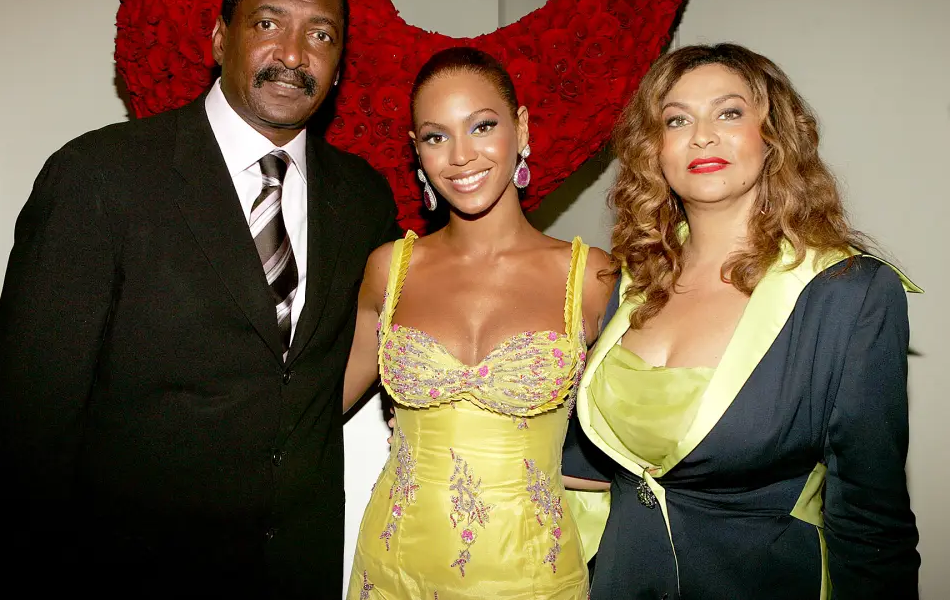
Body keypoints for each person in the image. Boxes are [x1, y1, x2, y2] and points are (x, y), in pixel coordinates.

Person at [0, 0, 399, 599]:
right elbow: (24, 440)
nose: (293, 54)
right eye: (268, 23)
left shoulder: (365, 199)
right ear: (218, 38)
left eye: (321, 35)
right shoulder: (99, 178)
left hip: (299, 570)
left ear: (340, 66)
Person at [563, 43, 921, 599]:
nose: (701, 136)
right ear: (655, 150)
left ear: (774, 136)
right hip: (620, 581)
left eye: (728, 113)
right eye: (676, 120)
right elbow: (588, 459)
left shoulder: (847, 293)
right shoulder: (635, 281)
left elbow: (872, 522)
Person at [342, 47, 614, 599]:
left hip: (532, 577)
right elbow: (309, 409)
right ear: (416, 152)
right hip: (392, 570)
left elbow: (648, 436)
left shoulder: (592, 276)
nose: (461, 156)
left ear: (521, 127)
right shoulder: (388, 268)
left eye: (482, 126)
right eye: (436, 136)